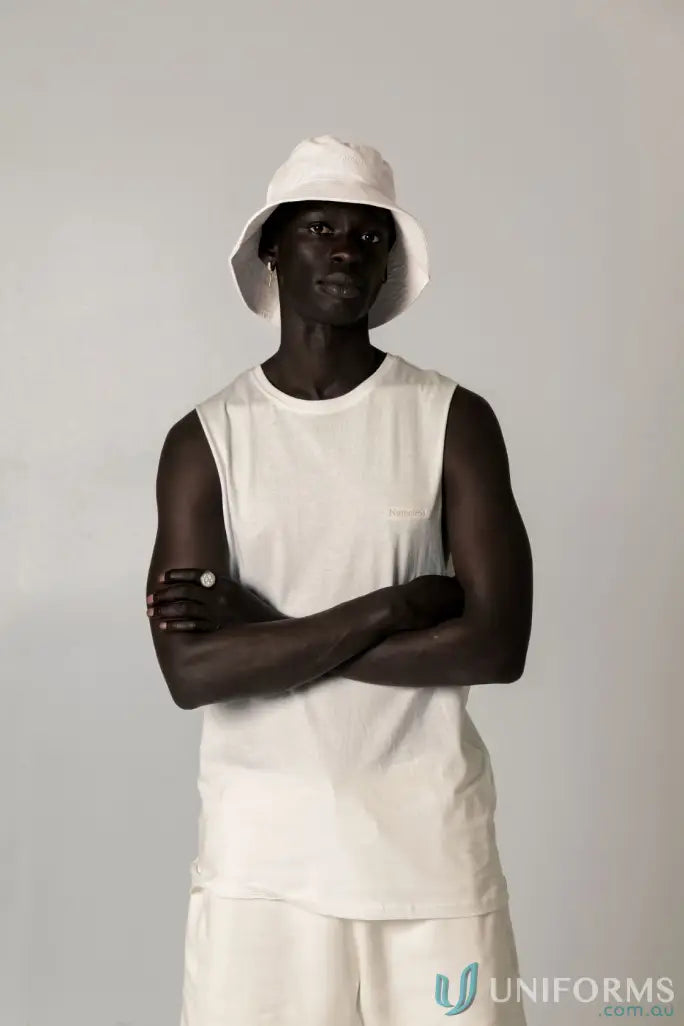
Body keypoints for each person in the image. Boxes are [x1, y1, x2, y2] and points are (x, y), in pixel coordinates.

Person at [145, 135, 533, 1026]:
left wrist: (264, 633)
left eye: (369, 235)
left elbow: (496, 646)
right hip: (261, 871)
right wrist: (397, 605)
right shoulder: (207, 441)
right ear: (274, 247)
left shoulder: (453, 421)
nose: (347, 250)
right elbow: (193, 673)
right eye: (323, 226)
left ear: (389, 257)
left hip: (430, 857)